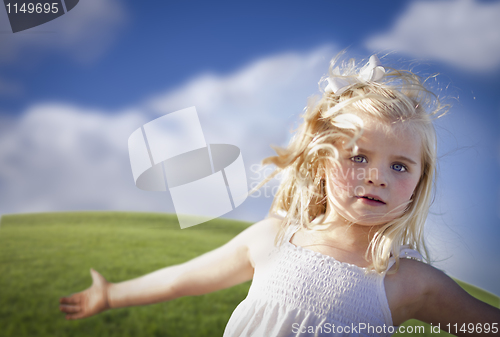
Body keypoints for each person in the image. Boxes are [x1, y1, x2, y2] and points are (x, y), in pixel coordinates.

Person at [59, 54, 500, 336]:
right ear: (323, 161)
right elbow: (182, 278)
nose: (377, 177)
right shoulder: (273, 239)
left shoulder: (409, 282)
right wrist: (112, 294)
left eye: (399, 166)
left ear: (419, 184)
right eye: (358, 157)